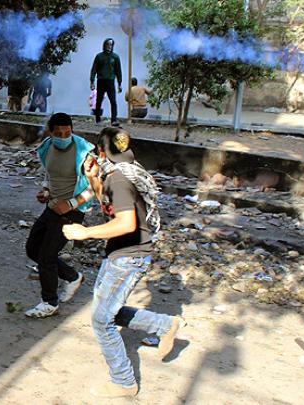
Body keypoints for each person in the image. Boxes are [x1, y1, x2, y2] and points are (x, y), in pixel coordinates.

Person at [63, 127, 183, 398]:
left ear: (102, 152)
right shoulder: (124, 169)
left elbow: (125, 222)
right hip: (119, 252)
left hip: (129, 256)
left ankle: (124, 381)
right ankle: (164, 325)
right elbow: (107, 204)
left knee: (101, 320)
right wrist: (92, 178)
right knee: (108, 310)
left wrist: (86, 232)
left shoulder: (119, 179)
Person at [24, 112, 96, 318]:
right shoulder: (47, 147)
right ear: (50, 132)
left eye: (67, 133)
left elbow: (95, 188)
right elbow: (50, 174)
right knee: (32, 249)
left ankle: (49, 302)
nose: (64, 137)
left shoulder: (84, 152)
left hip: (71, 212)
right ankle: (72, 276)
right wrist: (45, 191)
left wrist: (71, 204)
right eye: (59, 133)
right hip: (52, 207)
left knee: (47, 256)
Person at [90, 38, 122, 126]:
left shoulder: (115, 57)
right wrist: (92, 82)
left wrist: (119, 83)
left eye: (111, 45)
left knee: (113, 101)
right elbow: (94, 69)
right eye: (108, 44)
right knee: (99, 100)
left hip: (110, 81)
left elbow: (118, 71)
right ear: (104, 45)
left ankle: (114, 120)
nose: (109, 46)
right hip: (101, 80)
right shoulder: (99, 56)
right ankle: (97, 119)